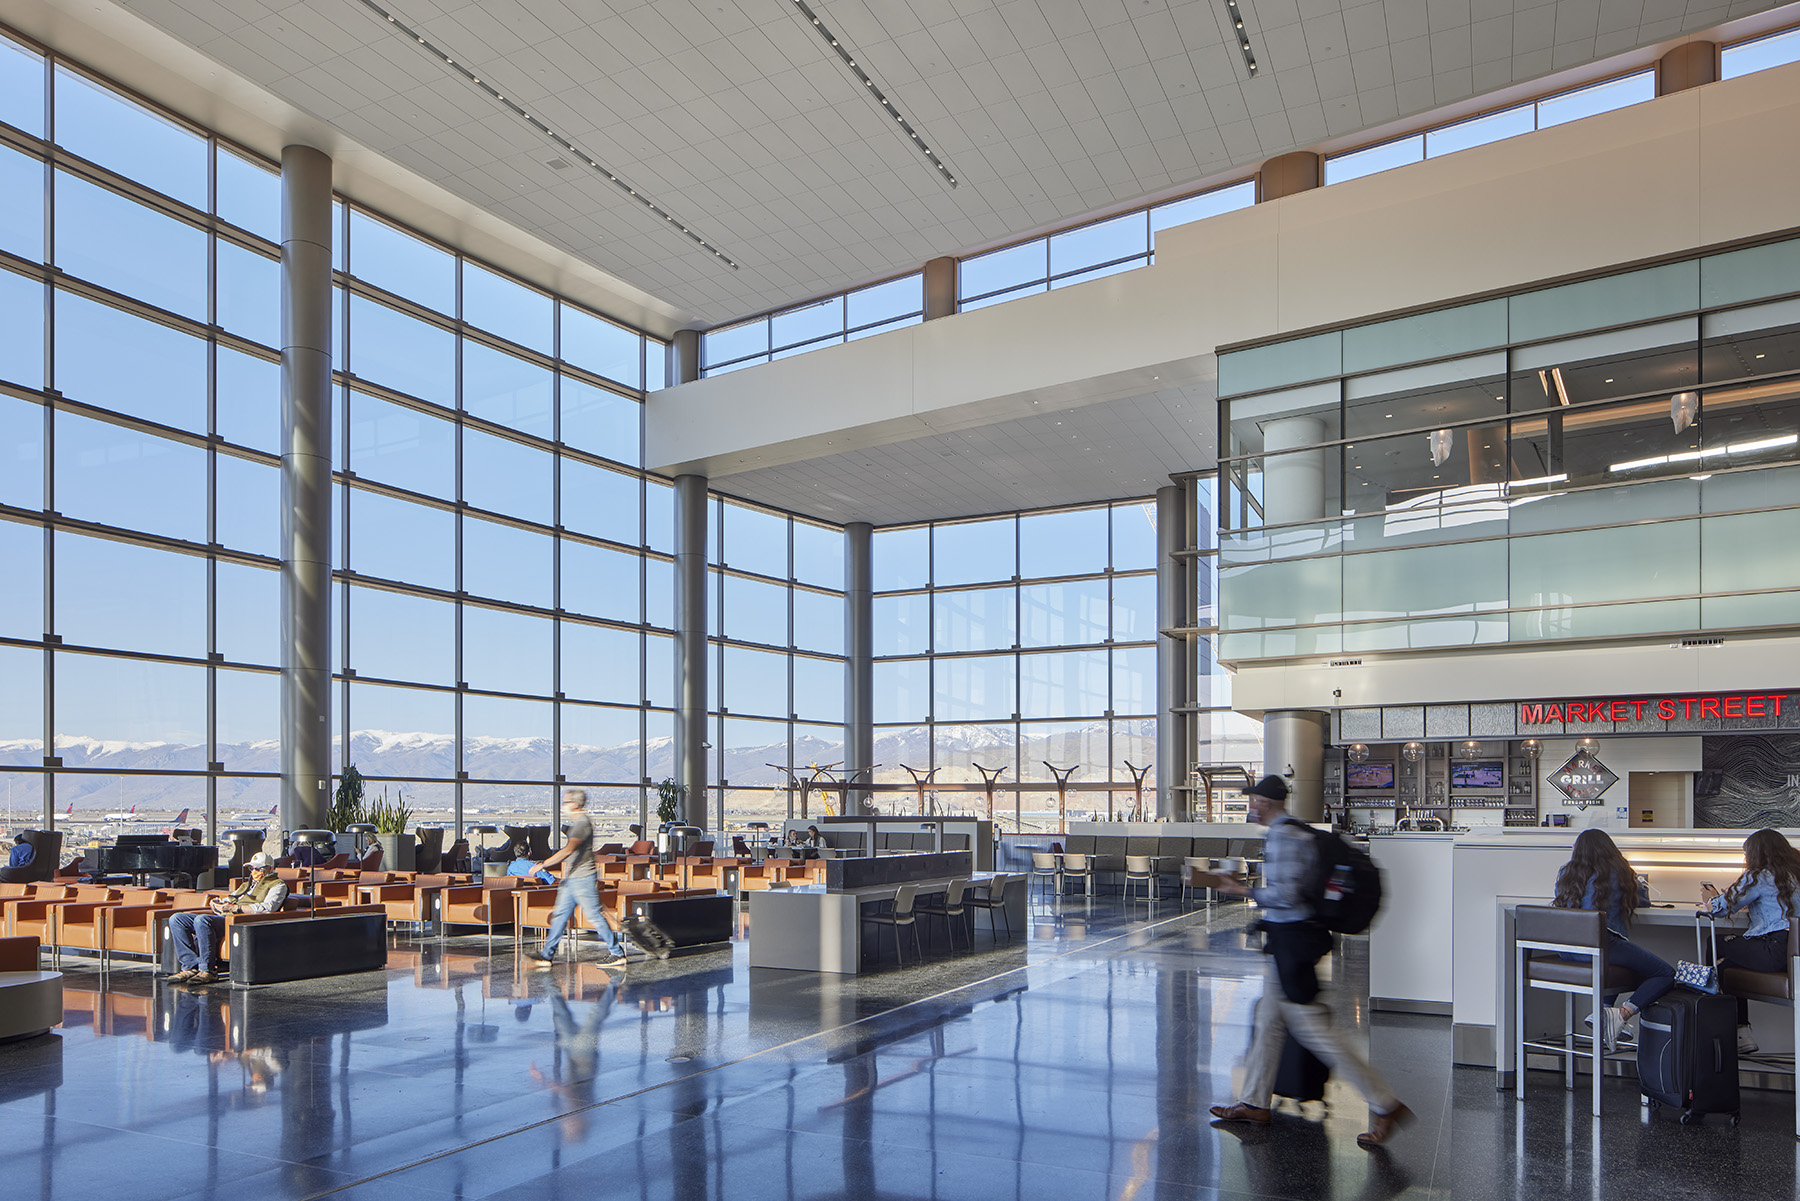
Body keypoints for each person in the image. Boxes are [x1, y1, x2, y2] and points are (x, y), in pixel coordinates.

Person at [1205, 775, 1412, 1149]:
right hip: (1290, 942)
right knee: (1268, 1020)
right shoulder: (1294, 833)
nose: (1248, 806)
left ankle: (1385, 1104)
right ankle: (1254, 1102)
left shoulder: (1283, 836)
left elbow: (1287, 895)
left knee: (1317, 1032)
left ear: (1265, 803)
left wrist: (1240, 889)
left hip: (1292, 945)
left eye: (1252, 801)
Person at [1549, 827, 1674, 1051]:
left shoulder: (1565, 872)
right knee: (1665, 973)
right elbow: (1642, 902)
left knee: (1616, 956)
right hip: (1600, 946)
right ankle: (1622, 1013)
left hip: (1567, 950)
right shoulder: (1618, 870)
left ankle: (1603, 1013)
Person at [1701, 827, 1800, 1054]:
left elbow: (1719, 908)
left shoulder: (1759, 875)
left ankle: (1713, 1018)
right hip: (1793, 957)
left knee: (1715, 942)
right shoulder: (1795, 874)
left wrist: (1710, 898)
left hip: (1774, 950)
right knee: (1725, 967)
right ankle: (1740, 1033)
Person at [524, 790, 628, 968]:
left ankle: (617, 953)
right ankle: (546, 955)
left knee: (594, 915)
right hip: (572, 880)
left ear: (575, 804)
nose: (563, 807)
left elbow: (568, 850)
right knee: (560, 916)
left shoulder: (581, 824)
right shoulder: (578, 824)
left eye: (565, 803)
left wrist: (543, 865)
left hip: (583, 879)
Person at [167, 852, 289, 985]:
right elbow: (232, 897)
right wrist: (218, 902)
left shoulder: (278, 885)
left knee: (202, 920)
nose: (253, 872)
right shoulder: (246, 885)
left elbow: (268, 907)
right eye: (251, 868)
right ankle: (190, 966)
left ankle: (208, 970)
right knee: (177, 919)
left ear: (269, 869)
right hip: (226, 916)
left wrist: (235, 908)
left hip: (242, 920)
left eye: (258, 868)